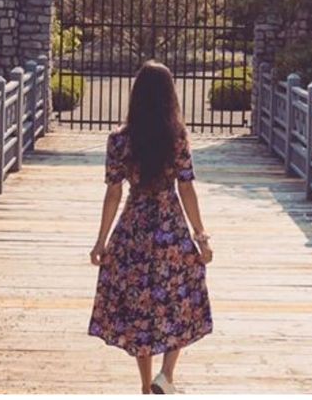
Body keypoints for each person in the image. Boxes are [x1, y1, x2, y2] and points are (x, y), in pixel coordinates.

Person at [88, 61, 213, 394]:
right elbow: (186, 187)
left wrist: (100, 242)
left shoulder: (119, 140)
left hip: (134, 228)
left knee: (140, 305)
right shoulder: (177, 138)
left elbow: (113, 191)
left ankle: (146, 385)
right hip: (170, 226)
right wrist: (201, 237)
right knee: (184, 297)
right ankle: (166, 375)